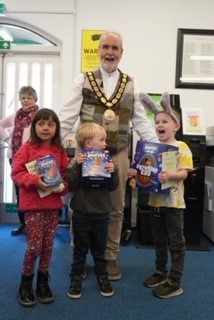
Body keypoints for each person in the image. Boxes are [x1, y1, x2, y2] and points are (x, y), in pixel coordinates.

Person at [58, 30, 157, 280]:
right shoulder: (82, 79)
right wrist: (50, 144)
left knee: (115, 208)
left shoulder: (131, 83)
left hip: (119, 154)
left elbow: (141, 120)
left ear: (122, 52)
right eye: (106, 47)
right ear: (98, 50)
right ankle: (78, 258)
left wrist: (158, 147)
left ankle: (110, 258)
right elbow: (68, 114)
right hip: (86, 153)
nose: (110, 52)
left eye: (115, 48)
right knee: (79, 206)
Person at [128, 92, 193, 299]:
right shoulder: (153, 148)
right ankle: (160, 272)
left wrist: (171, 174)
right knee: (158, 241)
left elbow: (184, 173)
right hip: (155, 203)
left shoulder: (181, 147)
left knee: (176, 243)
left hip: (173, 205)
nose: (159, 125)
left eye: (165, 121)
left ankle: (175, 281)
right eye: (157, 122)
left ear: (176, 126)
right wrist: (136, 172)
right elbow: (147, 170)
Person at [11, 108, 69, 307]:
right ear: (34, 126)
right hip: (34, 206)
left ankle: (42, 281)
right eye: (41, 124)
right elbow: (16, 173)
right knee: (34, 246)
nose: (46, 128)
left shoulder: (59, 151)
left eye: (51, 124)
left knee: (48, 246)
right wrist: (35, 180)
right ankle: (25, 282)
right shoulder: (27, 148)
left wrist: (62, 187)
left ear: (56, 128)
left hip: (52, 206)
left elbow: (64, 176)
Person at [66, 122, 119, 299]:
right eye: (102, 140)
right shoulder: (77, 161)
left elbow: (112, 187)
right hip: (81, 213)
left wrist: (114, 171)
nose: (105, 144)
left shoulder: (108, 161)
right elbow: (71, 185)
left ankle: (102, 276)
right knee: (80, 249)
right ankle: (76, 278)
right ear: (88, 143)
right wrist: (76, 166)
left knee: (99, 249)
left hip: (101, 213)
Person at [0, 85, 39, 236]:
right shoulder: (16, 115)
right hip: (16, 159)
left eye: (29, 97)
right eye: (23, 97)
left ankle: (35, 224)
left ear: (35, 99)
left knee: (35, 191)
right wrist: (7, 138)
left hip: (34, 160)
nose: (26, 100)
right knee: (19, 192)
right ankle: (23, 223)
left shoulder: (40, 115)